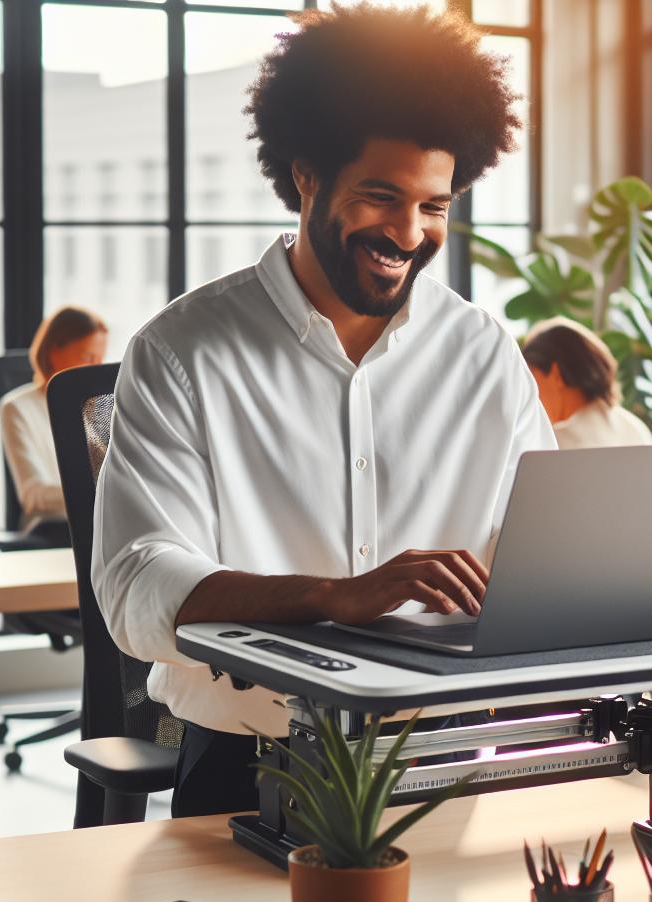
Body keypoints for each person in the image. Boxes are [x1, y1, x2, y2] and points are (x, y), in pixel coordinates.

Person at [90, 5, 552, 817]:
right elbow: (134, 583)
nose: (409, 233)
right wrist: (330, 596)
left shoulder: (482, 353)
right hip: (249, 766)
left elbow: (551, 549)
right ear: (307, 176)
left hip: (444, 764)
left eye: (435, 206)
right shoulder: (183, 350)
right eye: (381, 196)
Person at [0, 306, 108, 539]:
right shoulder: (16, 408)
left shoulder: (93, 407)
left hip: (99, 524)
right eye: (87, 357)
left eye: (100, 360)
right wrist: (101, 493)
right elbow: (34, 495)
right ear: (53, 352)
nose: (95, 369)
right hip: (54, 531)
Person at [521, 317, 652, 448]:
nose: (530, 393)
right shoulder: (638, 429)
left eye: (532, 378)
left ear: (555, 374)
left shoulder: (553, 443)